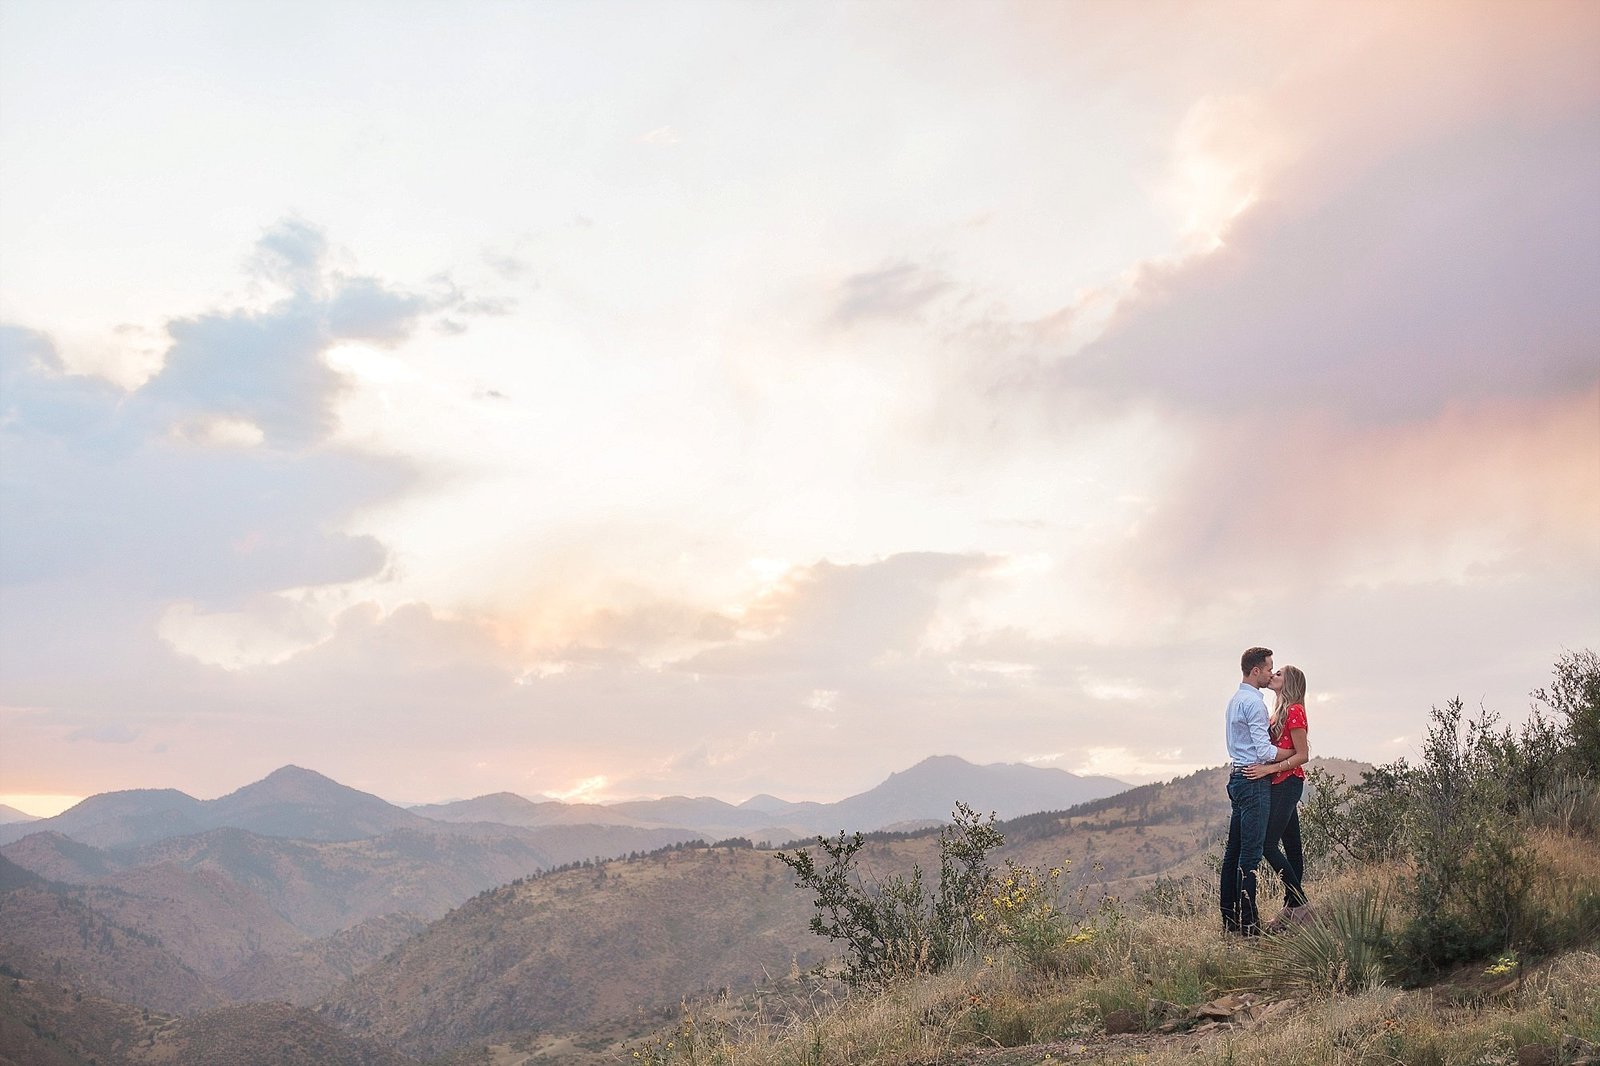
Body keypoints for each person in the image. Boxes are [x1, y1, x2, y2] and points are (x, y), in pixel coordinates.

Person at [1220, 646, 1280, 936]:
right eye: (1269, 668)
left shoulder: (1234, 701)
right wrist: (1294, 752)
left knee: (1233, 855)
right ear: (1255, 670)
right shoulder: (1255, 704)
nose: (1271, 672)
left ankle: (1229, 921)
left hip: (1237, 778)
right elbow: (1265, 752)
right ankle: (1249, 925)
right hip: (1254, 781)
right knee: (1250, 856)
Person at [1253, 665, 1311, 931]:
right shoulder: (1278, 711)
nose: (1272, 676)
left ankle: (1300, 904)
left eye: (1278, 675)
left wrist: (1269, 769)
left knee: (1267, 844)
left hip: (1287, 782)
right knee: (1293, 846)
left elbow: (1302, 755)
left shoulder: (1295, 710)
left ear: (1288, 684)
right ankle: (1291, 908)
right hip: (1281, 782)